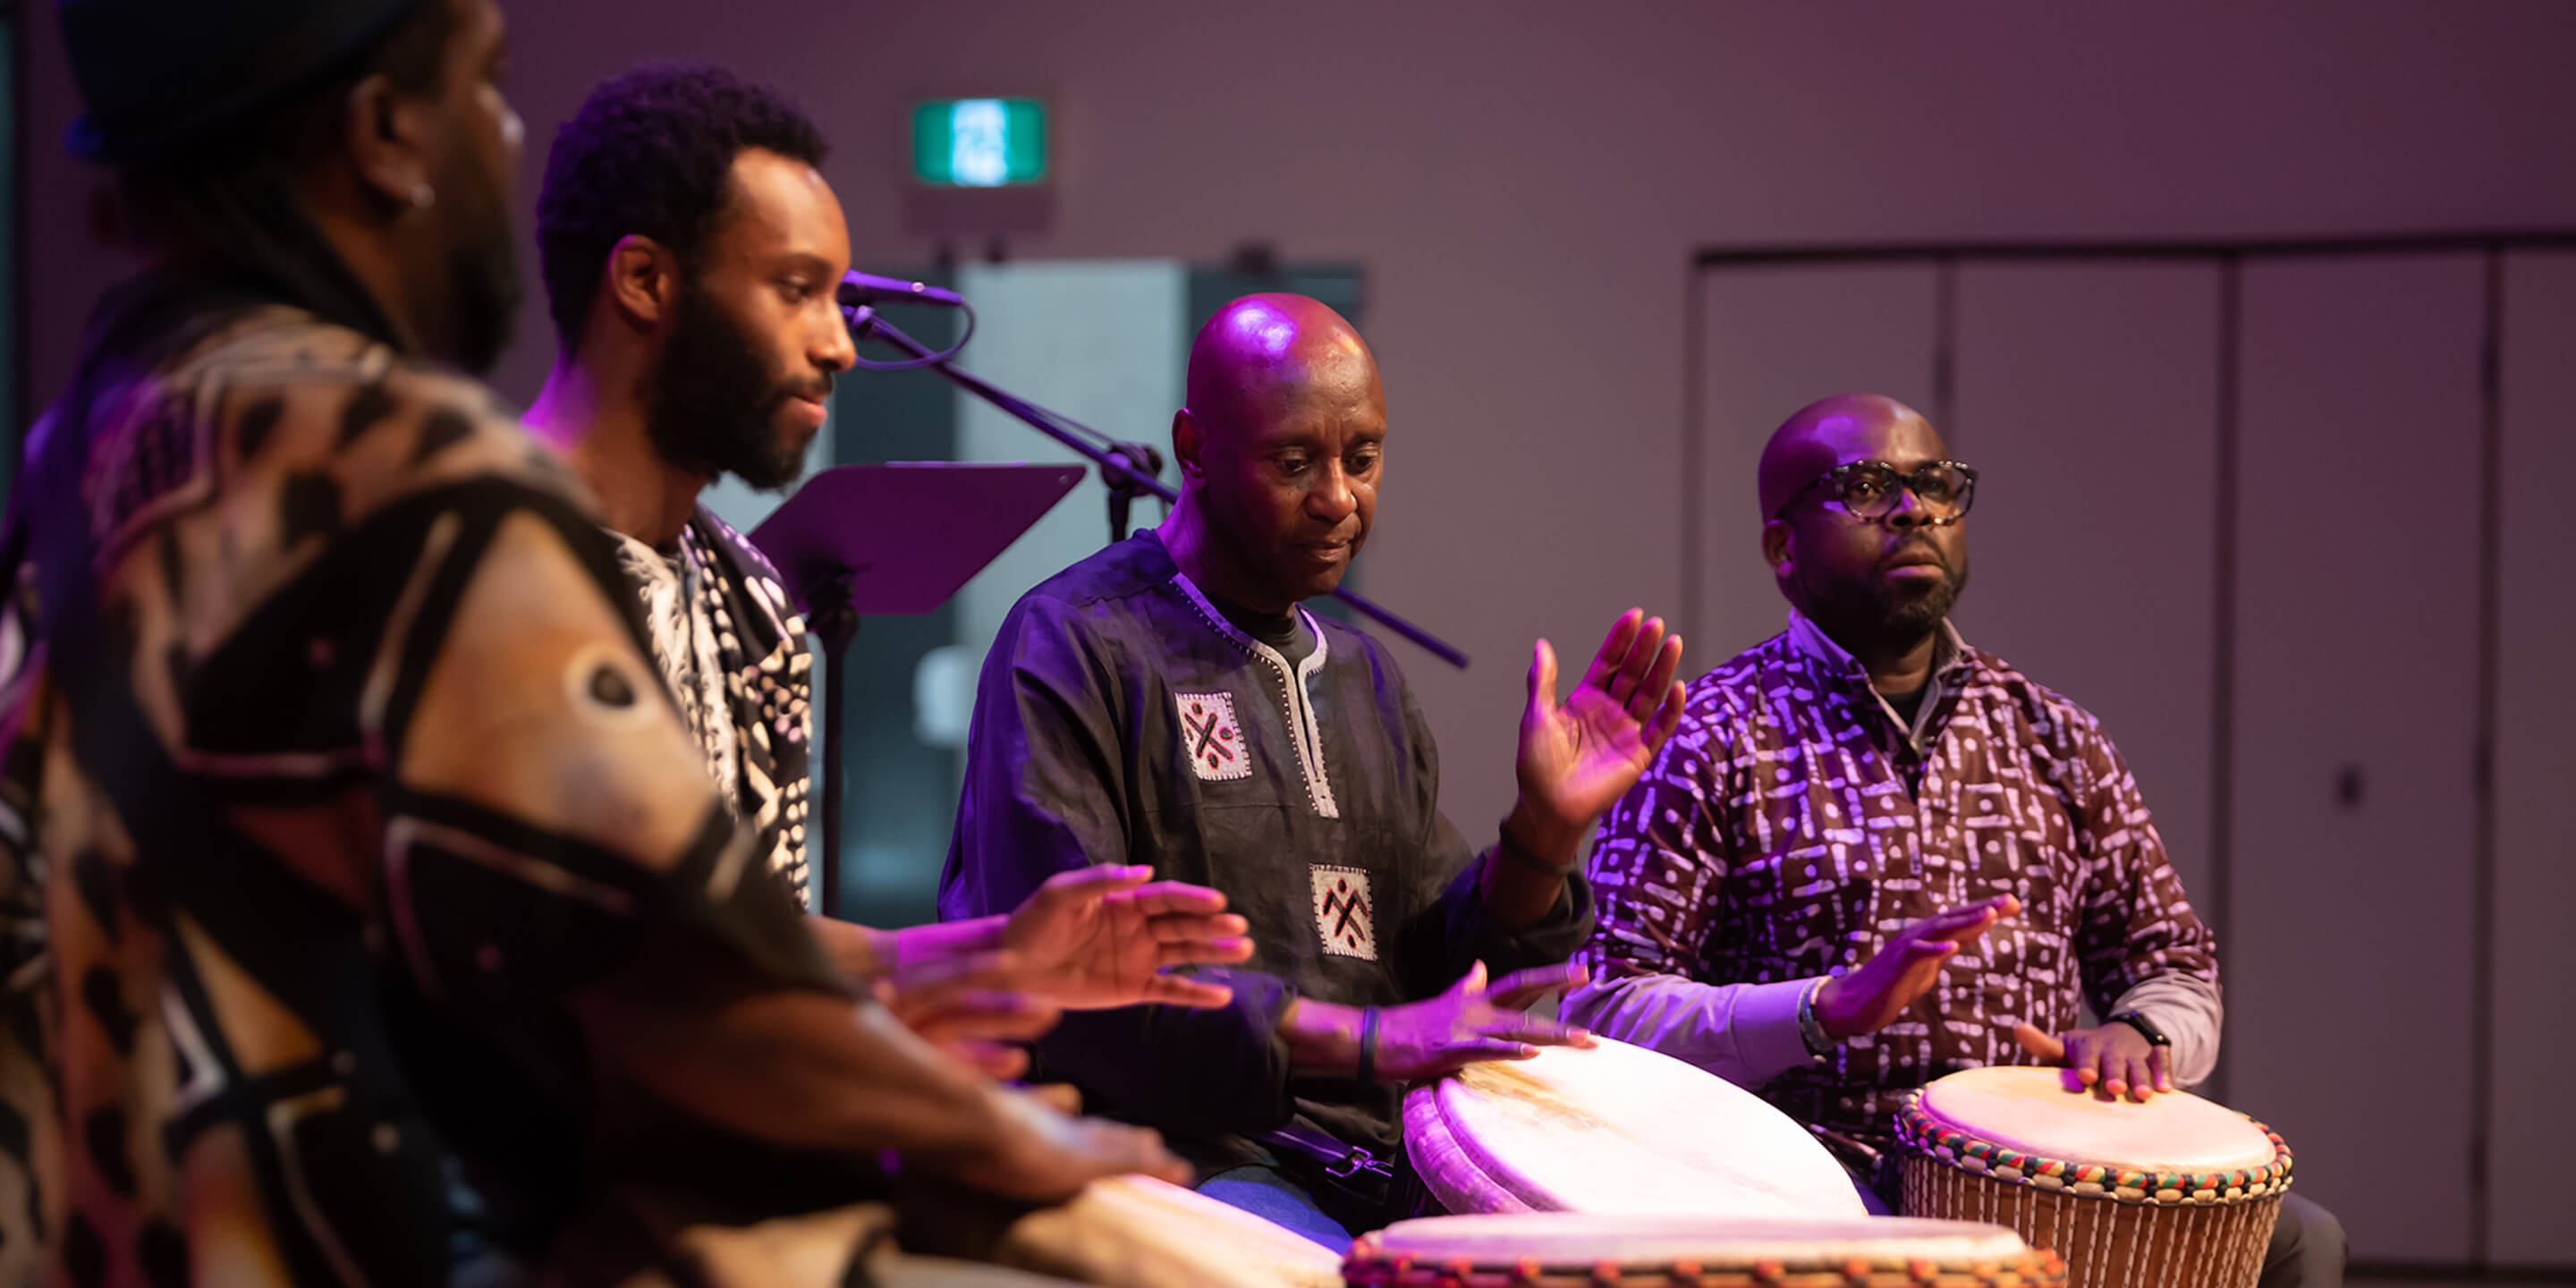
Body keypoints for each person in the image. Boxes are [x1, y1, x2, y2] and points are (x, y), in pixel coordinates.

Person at [0, 3, 1184, 1284]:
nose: (506, 140)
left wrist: (964, 956)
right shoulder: (392, 471)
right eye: (489, 87)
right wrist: (988, 1137)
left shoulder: (92, 443)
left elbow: (678, 939)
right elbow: (676, 990)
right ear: (390, 134)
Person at [521, 63, 1252, 1077]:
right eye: (796, 291)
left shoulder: (747, 596)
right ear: (646, 281)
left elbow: (754, 947)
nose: (839, 347)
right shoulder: (482, 569)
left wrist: (998, 955)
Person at [941, 292, 1690, 1248]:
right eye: (1294, 464)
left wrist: (1545, 829)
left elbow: (1440, 969)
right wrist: (1377, 1043)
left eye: (1363, 459)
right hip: (1179, 1154)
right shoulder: (1076, 643)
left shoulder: (1363, 674)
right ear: (1195, 448)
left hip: (1382, 1159)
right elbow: (1068, 978)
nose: (1340, 497)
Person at [1566, 394, 2345, 1285]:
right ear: (1784, 551)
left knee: (2301, 1241)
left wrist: (2140, 1033)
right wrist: (1825, 1009)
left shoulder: (2054, 735)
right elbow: (1606, 1009)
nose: (1913, 510)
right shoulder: (1706, 733)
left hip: (2038, 1166)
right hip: (1814, 1163)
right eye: (1865, 488)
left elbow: (2174, 962)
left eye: (1934, 484)